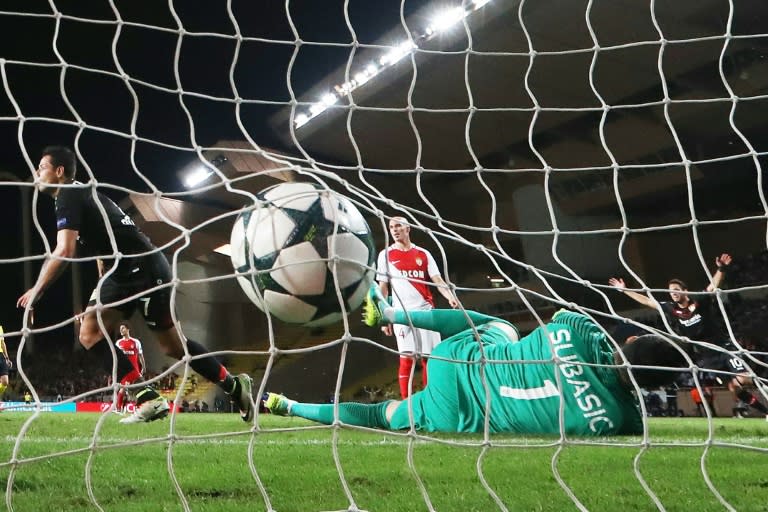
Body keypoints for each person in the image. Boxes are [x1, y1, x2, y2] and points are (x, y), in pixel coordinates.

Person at [16, 146, 253, 424]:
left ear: (59, 171)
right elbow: (103, 249)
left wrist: (37, 291)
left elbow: (65, 250)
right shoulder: (81, 194)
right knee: (92, 332)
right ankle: (160, 397)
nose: (37, 173)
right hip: (128, 270)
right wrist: (99, 295)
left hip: (142, 269)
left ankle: (224, 387)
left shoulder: (68, 193)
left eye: (41, 166)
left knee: (172, 348)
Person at [261, 286, 687, 436]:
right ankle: (289, 406)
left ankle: (392, 314)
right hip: (461, 418)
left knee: (502, 327)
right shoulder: (618, 420)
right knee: (383, 414)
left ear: (629, 337)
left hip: (462, 362)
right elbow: (636, 421)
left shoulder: (578, 330)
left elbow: (559, 317)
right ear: (652, 387)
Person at [608, 253, 768, 420]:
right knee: (734, 388)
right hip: (706, 356)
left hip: (723, 347)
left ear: (685, 291)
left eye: (676, 290)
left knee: (745, 378)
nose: (673, 293)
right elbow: (648, 301)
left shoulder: (699, 301)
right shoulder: (671, 309)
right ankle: (766, 412)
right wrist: (624, 290)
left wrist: (721, 269)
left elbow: (712, 287)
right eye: (670, 292)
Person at [376, 216, 459, 398]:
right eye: (391, 227)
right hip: (401, 314)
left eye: (398, 226)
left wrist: (450, 297)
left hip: (426, 312)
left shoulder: (423, 254)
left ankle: (432, 400)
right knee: (407, 359)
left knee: (430, 359)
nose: (394, 230)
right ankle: (407, 404)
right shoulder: (386, 255)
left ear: (408, 228)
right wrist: (384, 317)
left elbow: (437, 280)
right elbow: (383, 287)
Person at [113, 323, 146, 413]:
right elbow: (116, 357)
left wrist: (143, 366)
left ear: (128, 329)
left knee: (138, 389)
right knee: (123, 388)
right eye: (120, 329)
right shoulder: (118, 343)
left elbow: (140, 355)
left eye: (123, 328)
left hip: (135, 370)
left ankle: (139, 408)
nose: (121, 330)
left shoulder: (136, 342)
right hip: (125, 370)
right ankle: (119, 408)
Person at [0, 325, 10, 401]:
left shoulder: (0, 328)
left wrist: (7, 358)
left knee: (5, 381)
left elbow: (3, 343)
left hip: (1, 355)